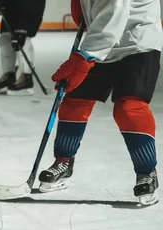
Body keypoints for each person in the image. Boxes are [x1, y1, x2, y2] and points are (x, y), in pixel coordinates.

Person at [39, 0, 163, 205]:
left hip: (137, 42)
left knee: (129, 108)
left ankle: (147, 172)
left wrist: (81, 60)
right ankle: (64, 162)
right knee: (75, 101)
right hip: (103, 39)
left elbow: (115, 11)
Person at [0, 0, 46, 95]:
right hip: (12, 6)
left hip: (30, 7)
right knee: (5, 38)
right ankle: (8, 75)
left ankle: (26, 78)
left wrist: (24, 28)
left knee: (22, 39)